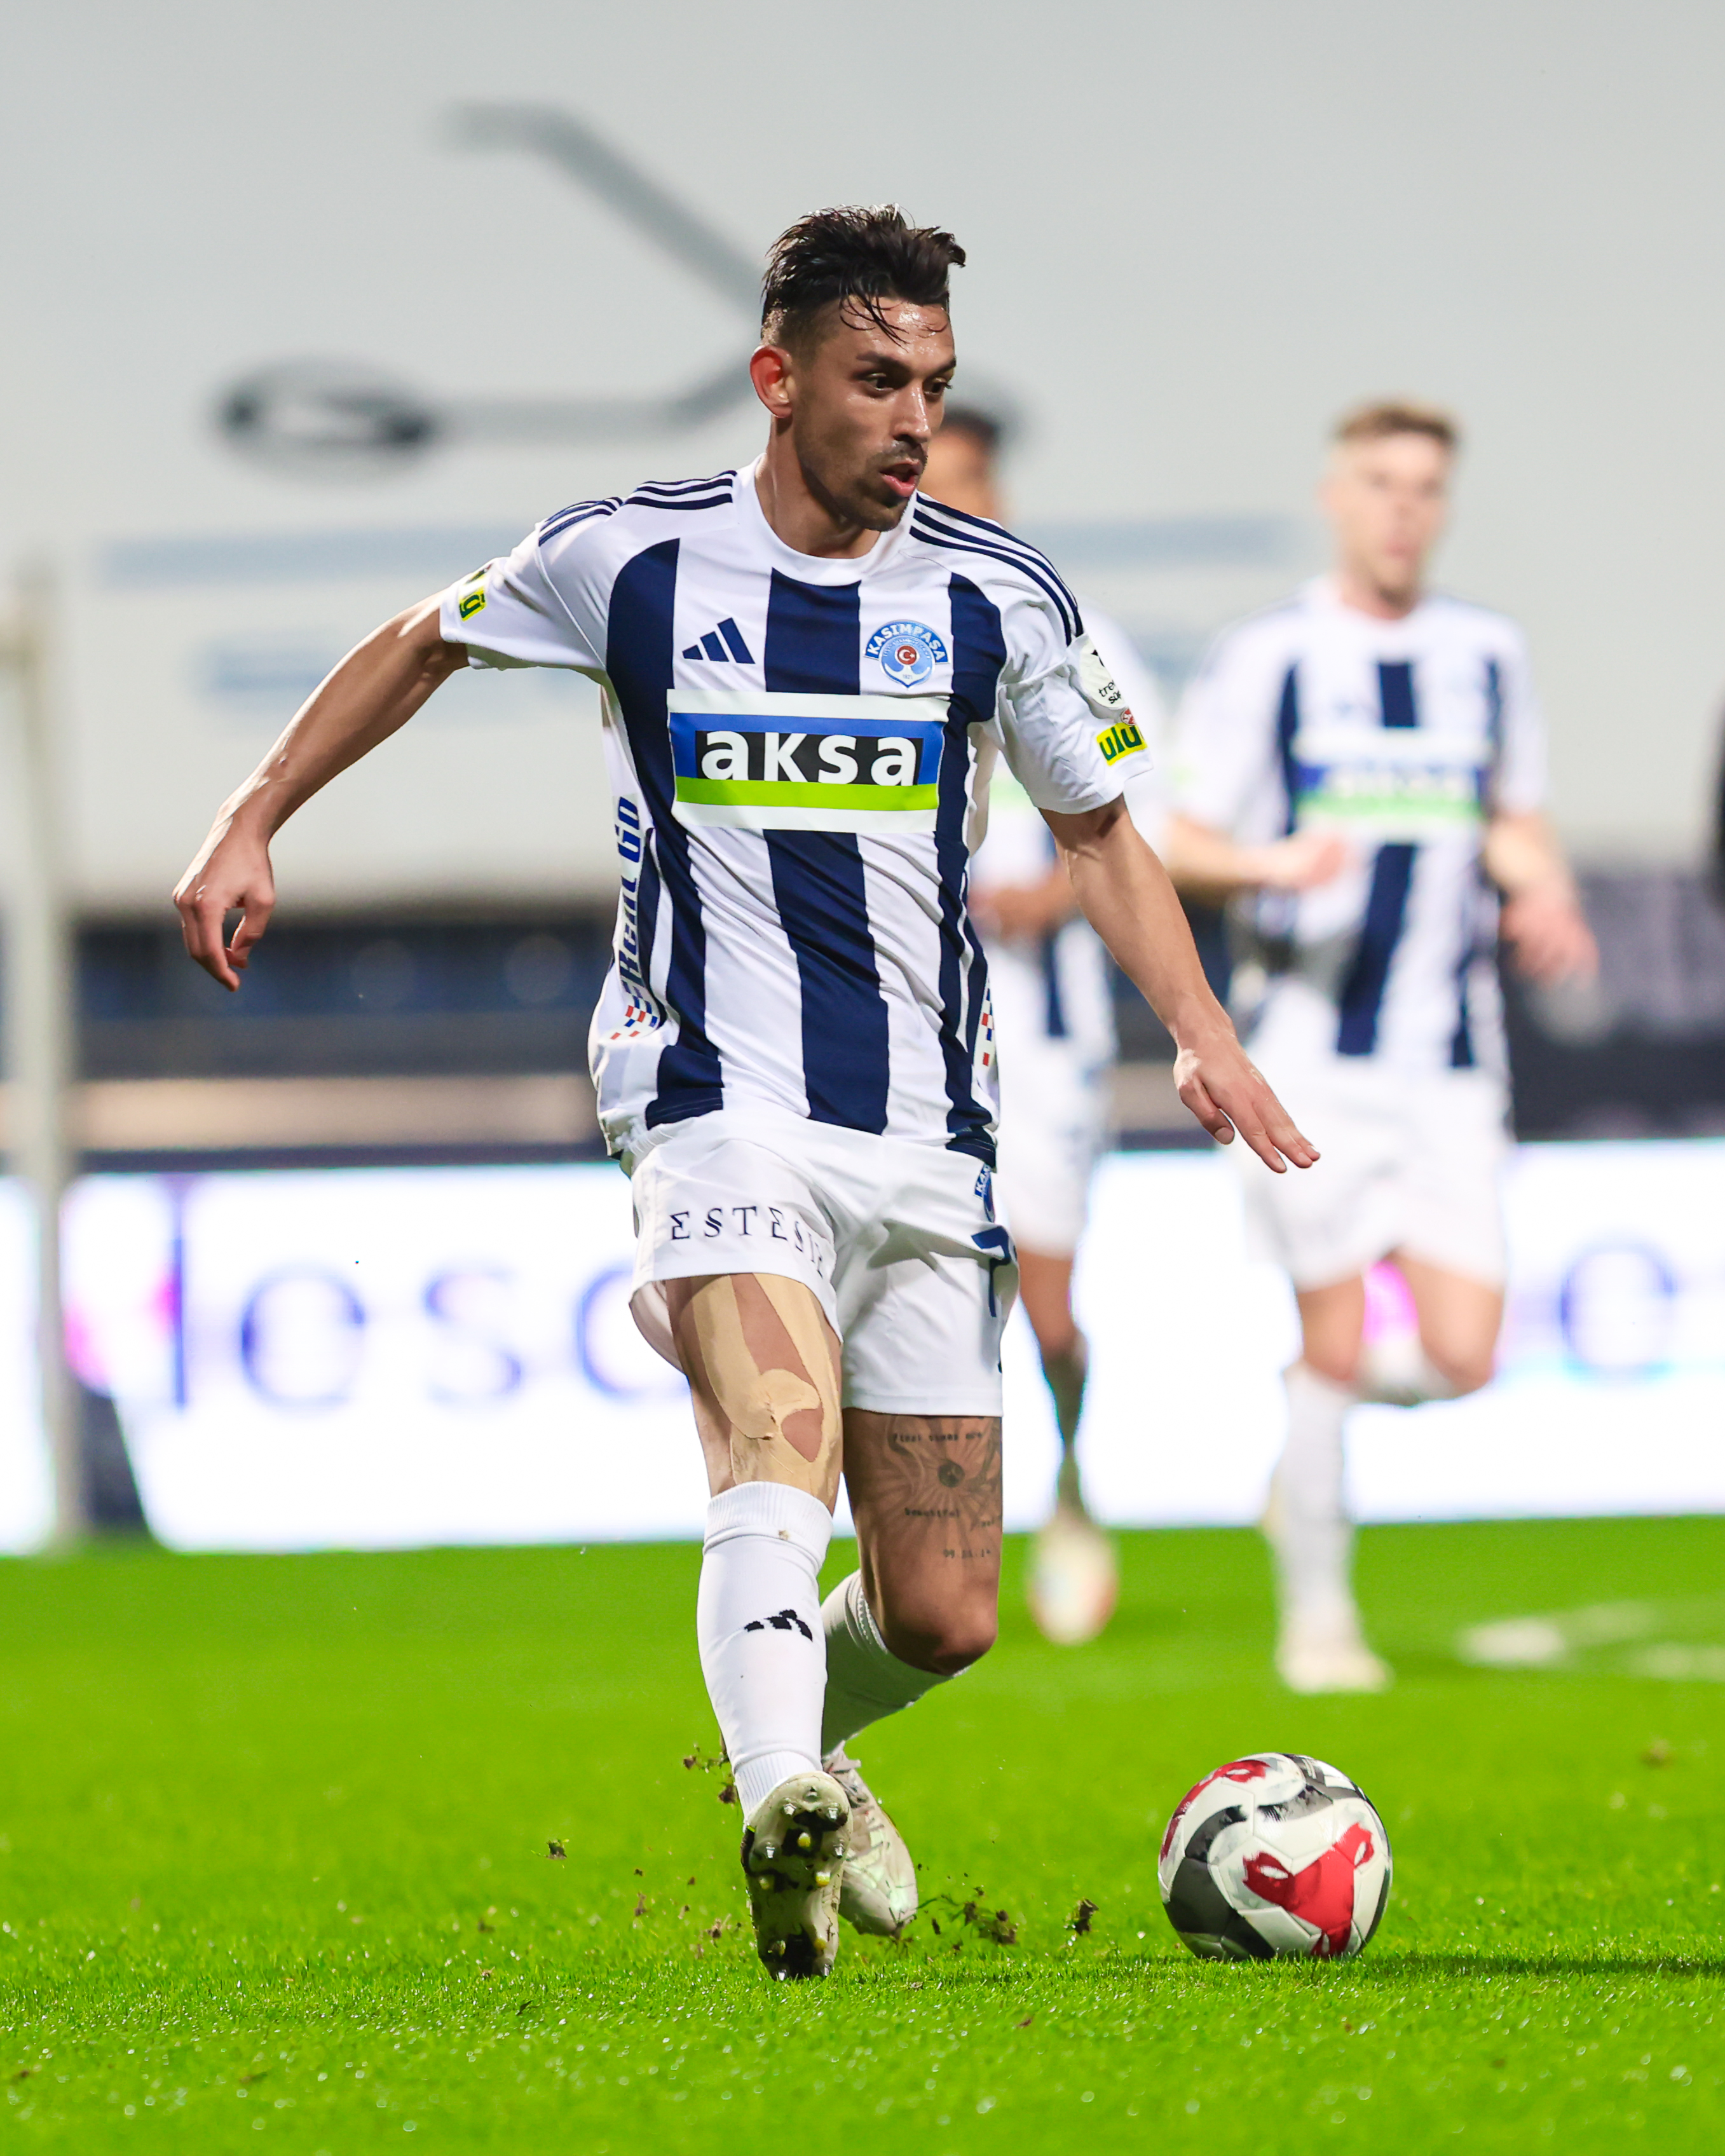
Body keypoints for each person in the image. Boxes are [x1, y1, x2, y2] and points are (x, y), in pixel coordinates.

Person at [174, 206, 1316, 1980]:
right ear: (777, 378)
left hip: (929, 1129)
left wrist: (1200, 1030)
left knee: (945, 1612)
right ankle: (779, 1797)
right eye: (876, 379)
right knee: (778, 1438)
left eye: (933, 383)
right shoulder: (628, 560)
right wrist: (254, 812)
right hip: (706, 1092)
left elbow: (1100, 834)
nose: (914, 418)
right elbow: (422, 637)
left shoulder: (1000, 598)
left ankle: (815, 1743)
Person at [1161, 400, 1596, 1695]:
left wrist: (1543, 889)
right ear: (1335, 497)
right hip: (1310, 1057)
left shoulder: (1486, 654)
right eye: (1379, 483)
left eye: (1423, 487)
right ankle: (1318, 1624)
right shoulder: (1270, 657)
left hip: (1451, 1060)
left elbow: (1509, 815)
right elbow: (1177, 838)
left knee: (1462, 1357)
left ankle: (1305, 1436)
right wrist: (1270, 864)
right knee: (1338, 1335)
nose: (1402, 509)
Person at [920, 408, 1167, 1646]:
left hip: (1046, 1042)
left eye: (971, 480)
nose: (954, 502)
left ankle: (1071, 1480)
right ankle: (935, 1545)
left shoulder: (1072, 639)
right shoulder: (859, 633)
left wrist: (1057, 891)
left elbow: (1143, 808)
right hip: (911, 1033)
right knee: (936, 1308)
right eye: (934, 481)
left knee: (1049, 1316)